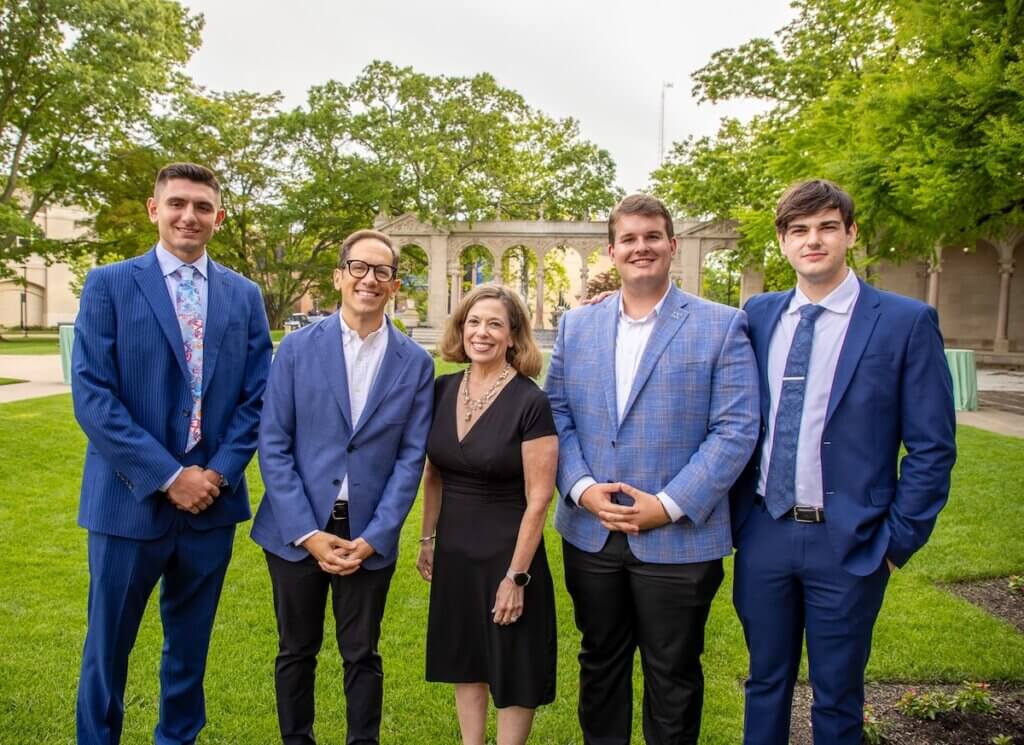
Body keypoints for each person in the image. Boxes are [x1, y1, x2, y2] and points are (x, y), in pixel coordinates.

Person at [730, 179, 957, 745]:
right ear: (782, 241)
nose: (813, 240)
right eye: (799, 230)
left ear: (850, 234)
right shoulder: (758, 316)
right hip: (764, 532)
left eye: (827, 227)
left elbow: (932, 447)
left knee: (837, 696)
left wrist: (895, 544)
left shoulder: (904, 321)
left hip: (850, 541)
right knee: (764, 682)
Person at [546, 193, 760, 745]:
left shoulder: (722, 325)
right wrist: (582, 488)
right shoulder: (576, 326)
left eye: (651, 237)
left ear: (672, 245)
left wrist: (666, 506)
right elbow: (557, 414)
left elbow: (736, 429)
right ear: (612, 250)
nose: (640, 247)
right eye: (629, 239)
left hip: (679, 539)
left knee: (674, 675)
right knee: (599, 663)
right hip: (591, 532)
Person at [72, 162, 273, 744]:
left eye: (203, 207)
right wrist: (167, 476)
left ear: (219, 217)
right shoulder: (109, 284)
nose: (190, 216)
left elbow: (258, 397)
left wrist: (217, 473)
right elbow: (92, 395)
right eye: (178, 203)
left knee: (189, 651)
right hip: (127, 503)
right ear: (153, 209)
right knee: (107, 649)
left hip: (211, 504)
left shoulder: (243, 295)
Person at [251, 228, 433, 745]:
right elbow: (274, 444)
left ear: (394, 285)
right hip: (296, 532)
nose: (368, 279)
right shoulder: (295, 349)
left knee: (362, 654)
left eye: (381, 271)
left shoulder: (415, 363)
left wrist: (376, 536)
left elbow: (410, 459)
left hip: (367, 535)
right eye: (358, 267)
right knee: (295, 651)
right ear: (338, 276)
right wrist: (307, 534)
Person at [417, 284, 559, 745]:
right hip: (455, 554)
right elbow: (433, 473)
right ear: (461, 329)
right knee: (466, 659)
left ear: (513, 336)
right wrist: (427, 539)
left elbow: (539, 498)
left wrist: (516, 577)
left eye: (495, 324)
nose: (482, 332)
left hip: (507, 555)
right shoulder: (442, 390)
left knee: (513, 664)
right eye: (473, 322)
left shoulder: (530, 402)